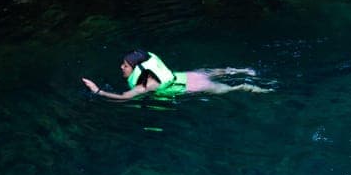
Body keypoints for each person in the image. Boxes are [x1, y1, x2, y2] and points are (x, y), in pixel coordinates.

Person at [81, 49, 272, 100]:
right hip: (188, 76)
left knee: (230, 89)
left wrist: (97, 91)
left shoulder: (146, 85)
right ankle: (242, 71)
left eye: (125, 65)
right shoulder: (150, 74)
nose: (122, 67)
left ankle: (246, 86)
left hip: (194, 86)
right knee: (214, 72)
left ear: (137, 70)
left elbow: (123, 97)